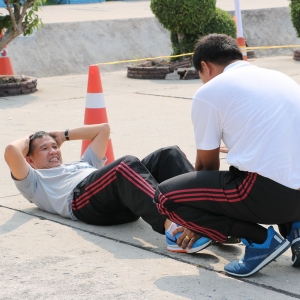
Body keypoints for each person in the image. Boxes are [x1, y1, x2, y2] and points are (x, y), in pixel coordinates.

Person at [154, 34, 300, 277]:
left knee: (165, 197)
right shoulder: (280, 78)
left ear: (205, 66)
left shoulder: (210, 91)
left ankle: (260, 241)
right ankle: (296, 231)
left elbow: (206, 165)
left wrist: (200, 224)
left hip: (271, 197)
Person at [4, 123, 211, 253]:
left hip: (118, 196)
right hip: (82, 202)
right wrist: (31, 137)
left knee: (169, 154)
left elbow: (103, 129)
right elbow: (12, 150)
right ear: (29, 159)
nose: (53, 151)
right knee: (124, 164)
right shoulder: (34, 181)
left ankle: (208, 218)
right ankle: (174, 231)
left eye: (54, 146)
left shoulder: (84, 163)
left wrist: (63, 135)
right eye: (44, 149)